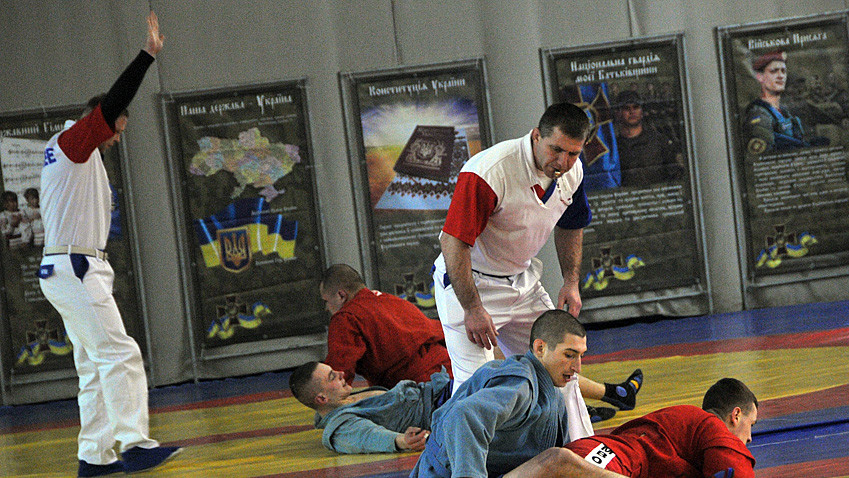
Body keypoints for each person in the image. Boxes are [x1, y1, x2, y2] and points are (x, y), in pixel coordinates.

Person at [37, 12, 180, 477]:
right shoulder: (75, 143)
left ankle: (94, 456)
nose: (119, 137)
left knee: (94, 366)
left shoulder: (70, 154)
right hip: (76, 269)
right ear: (106, 120)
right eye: (119, 127)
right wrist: (147, 56)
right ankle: (134, 444)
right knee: (120, 353)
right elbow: (116, 99)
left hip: (66, 269)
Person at [432, 102, 643, 414]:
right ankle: (463, 448)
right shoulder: (489, 171)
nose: (562, 161)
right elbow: (453, 242)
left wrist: (571, 281)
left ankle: (578, 441)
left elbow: (571, 224)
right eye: (555, 149)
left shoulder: (574, 172)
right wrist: (472, 308)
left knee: (562, 367)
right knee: (475, 388)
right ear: (536, 137)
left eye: (573, 153)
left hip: (523, 281)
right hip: (471, 284)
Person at [411, 310, 602, 477]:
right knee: (558, 459)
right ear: (540, 348)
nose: (577, 367)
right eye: (569, 355)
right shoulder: (520, 384)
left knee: (565, 461)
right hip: (441, 473)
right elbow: (463, 416)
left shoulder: (553, 395)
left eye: (581, 356)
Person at [501, 378, 758, 478]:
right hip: (610, 460)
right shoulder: (712, 427)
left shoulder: (683, 424)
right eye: (751, 424)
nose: (749, 438)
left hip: (597, 453)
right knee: (558, 464)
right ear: (735, 415)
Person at [320, 263, 452, 389]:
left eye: (326, 301)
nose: (326, 308)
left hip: (422, 386)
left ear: (341, 295)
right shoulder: (390, 300)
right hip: (450, 369)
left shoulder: (347, 317)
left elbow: (338, 372)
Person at [288, 361, 452, 454]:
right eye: (333, 376)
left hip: (442, 393)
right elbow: (368, 437)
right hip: (443, 409)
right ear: (322, 399)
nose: (341, 373)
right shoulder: (340, 428)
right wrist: (402, 441)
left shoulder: (345, 400)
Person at [743, 50, 824, 154]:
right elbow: (762, 154)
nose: (780, 76)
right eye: (774, 71)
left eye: (783, 71)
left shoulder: (783, 110)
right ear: (760, 77)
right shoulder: (759, 113)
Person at [614, 90, 684, 187]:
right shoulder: (614, 148)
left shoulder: (659, 141)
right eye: (626, 108)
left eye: (636, 107)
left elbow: (676, 175)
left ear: (642, 111)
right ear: (618, 113)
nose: (632, 111)